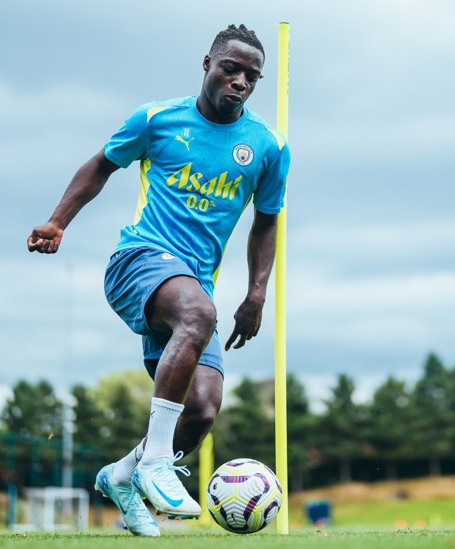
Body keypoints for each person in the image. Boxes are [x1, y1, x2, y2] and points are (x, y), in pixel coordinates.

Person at [27, 24, 289, 536]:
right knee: (198, 314)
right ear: (207, 63)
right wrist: (58, 220)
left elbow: (267, 219)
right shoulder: (156, 119)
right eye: (230, 68)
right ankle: (155, 467)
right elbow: (100, 166)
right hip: (140, 260)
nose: (239, 81)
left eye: (251, 77)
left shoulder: (268, 146)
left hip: (196, 284)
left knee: (203, 408)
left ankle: (123, 476)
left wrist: (257, 293)